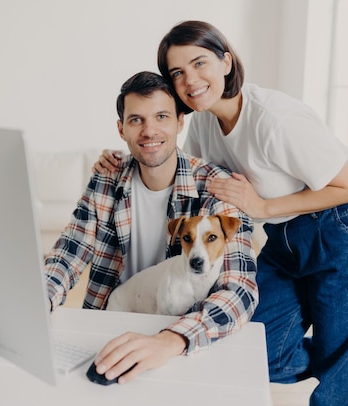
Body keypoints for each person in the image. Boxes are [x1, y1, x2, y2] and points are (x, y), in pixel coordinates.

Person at [93, 21, 348, 406]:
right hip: (286, 239)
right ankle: (342, 353)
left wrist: (262, 208)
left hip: (347, 232)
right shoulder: (203, 123)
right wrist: (121, 164)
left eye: (199, 63)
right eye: (177, 73)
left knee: (340, 384)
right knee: (250, 347)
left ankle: (346, 359)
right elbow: (186, 174)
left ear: (225, 61)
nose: (191, 80)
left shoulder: (273, 118)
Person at [44, 70, 257, 385]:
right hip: (109, 323)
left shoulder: (216, 187)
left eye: (161, 116)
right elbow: (69, 252)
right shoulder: (107, 178)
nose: (149, 130)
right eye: (136, 120)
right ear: (121, 129)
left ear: (179, 123)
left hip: (182, 335)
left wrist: (172, 339)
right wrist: (43, 298)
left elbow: (240, 289)